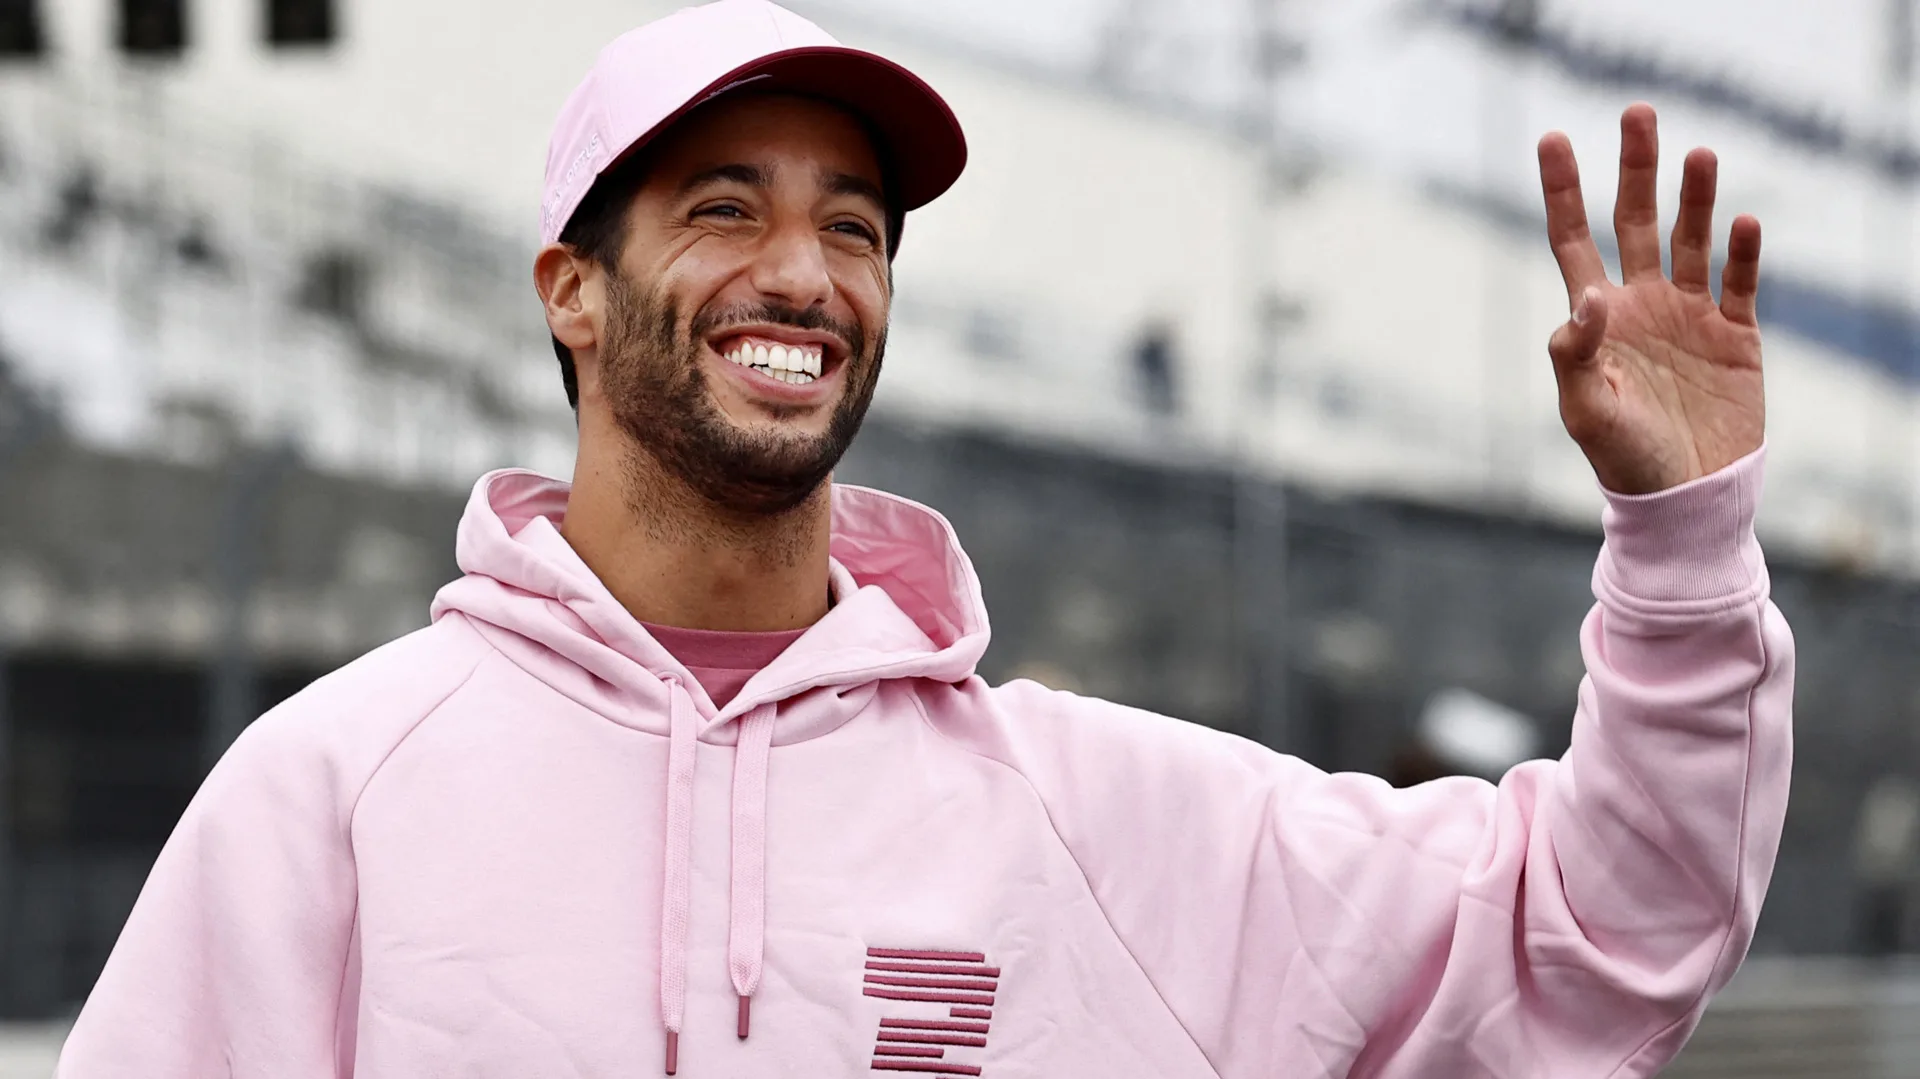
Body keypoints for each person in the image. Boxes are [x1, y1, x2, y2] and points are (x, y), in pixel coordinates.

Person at [56, 2, 1793, 1076]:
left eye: (855, 225)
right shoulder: (334, 793)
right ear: (569, 294)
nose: (802, 273)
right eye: (723, 206)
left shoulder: (1084, 813)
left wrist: (1683, 539)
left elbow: (1598, 930)